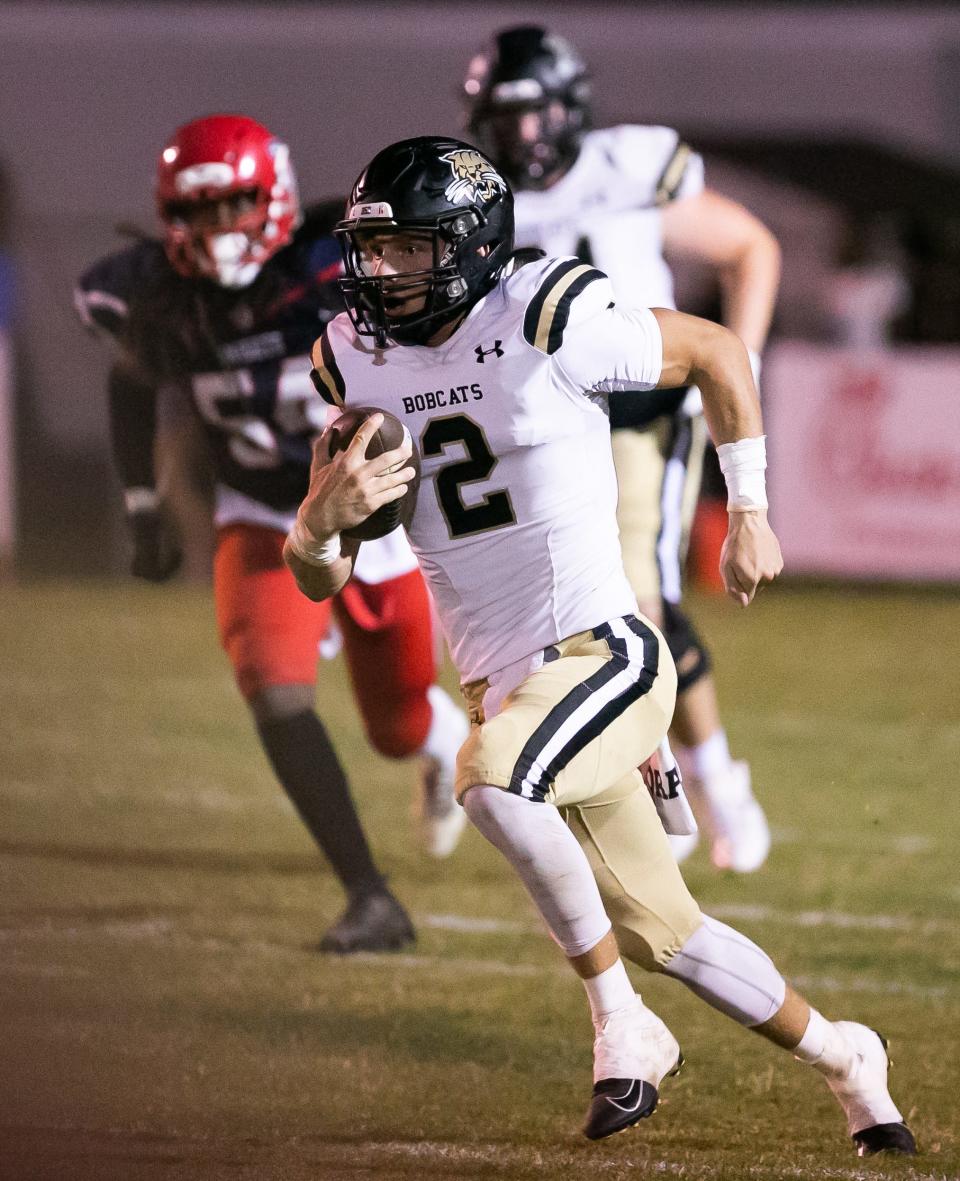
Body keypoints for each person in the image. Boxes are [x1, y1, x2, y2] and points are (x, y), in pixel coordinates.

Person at [285, 136, 916, 1155]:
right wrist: (317, 523)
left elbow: (714, 347)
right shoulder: (349, 359)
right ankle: (849, 1058)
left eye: (407, 249)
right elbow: (326, 572)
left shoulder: (544, 309)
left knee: (489, 783)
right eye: (375, 250)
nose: (383, 272)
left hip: (605, 653)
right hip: (507, 685)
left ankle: (621, 1022)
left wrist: (749, 509)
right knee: (670, 931)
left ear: (471, 243)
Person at [75, 114, 469, 955]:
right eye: (201, 211)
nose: (220, 230)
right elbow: (131, 380)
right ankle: (370, 896)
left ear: (276, 198)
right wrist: (142, 502)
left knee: (395, 725)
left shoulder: (333, 267)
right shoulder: (155, 293)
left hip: (372, 510)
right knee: (273, 683)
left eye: (237, 205)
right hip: (262, 511)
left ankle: (442, 750)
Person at [462, 26, 781, 872]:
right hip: (555, 423)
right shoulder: (486, 203)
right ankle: (676, 790)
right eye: (502, 118)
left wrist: (734, 366)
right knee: (572, 624)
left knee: (635, 604)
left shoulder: (631, 164)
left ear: (569, 107)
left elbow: (752, 247)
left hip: (642, 408)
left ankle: (707, 788)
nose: (519, 136)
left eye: (532, 115)